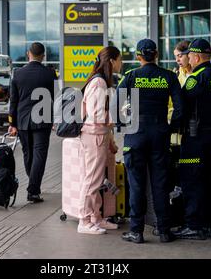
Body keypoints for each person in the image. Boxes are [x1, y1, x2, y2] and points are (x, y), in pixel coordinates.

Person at [117, 39, 183, 243]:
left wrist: (126, 126)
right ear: (156, 55)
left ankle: (136, 231)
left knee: (136, 185)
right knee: (160, 185)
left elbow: (115, 107)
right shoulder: (169, 77)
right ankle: (164, 230)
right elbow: (180, 109)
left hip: (135, 134)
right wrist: (169, 128)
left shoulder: (130, 76)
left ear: (138, 56)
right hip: (160, 134)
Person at [173, 39, 211, 240]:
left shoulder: (196, 78)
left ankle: (193, 225)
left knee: (191, 179)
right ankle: (207, 223)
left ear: (195, 57)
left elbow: (182, 107)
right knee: (207, 179)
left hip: (194, 139)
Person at [77, 46, 122, 235]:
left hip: (97, 135)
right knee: (92, 180)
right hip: (94, 135)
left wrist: (109, 138)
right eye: (120, 59)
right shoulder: (99, 83)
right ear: (111, 61)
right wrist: (117, 117)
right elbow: (96, 114)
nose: (122, 63)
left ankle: (96, 217)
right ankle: (84, 220)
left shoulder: (99, 81)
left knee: (96, 179)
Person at [8, 42, 56, 203]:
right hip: (43, 120)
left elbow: (13, 101)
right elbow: (54, 98)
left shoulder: (18, 73)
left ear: (29, 53)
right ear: (43, 55)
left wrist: (12, 123)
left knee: (28, 153)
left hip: (22, 120)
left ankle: (33, 183)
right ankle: (33, 189)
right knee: (39, 155)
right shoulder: (50, 74)